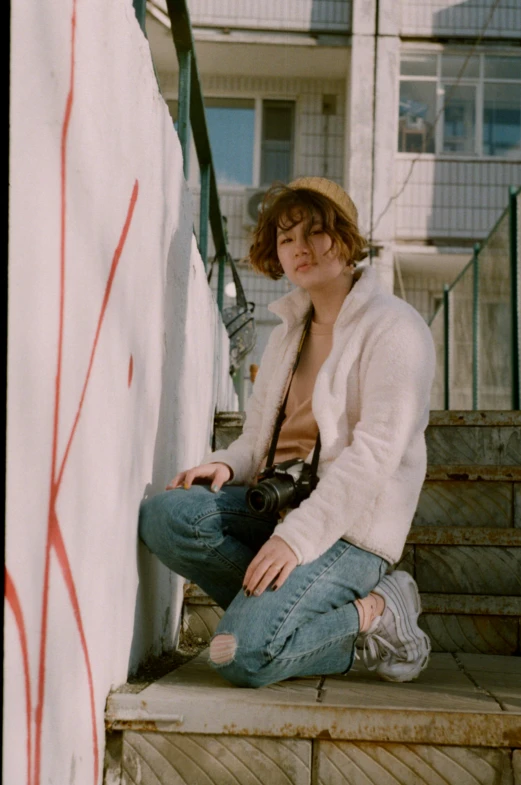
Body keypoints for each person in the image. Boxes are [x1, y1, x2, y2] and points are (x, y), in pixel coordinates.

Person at [139, 176, 435, 688]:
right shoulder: (287, 336)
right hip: (279, 508)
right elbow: (257, 438)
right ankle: (278, 609)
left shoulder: (396, 328)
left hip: (351, 530)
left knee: (240, 656)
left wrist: (295, 542)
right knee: (166, 515)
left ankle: (377, 613)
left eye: (314, 232)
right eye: (286, 237)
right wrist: (229, 463)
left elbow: (372, 458)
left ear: (344, 238)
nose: (299, 248)